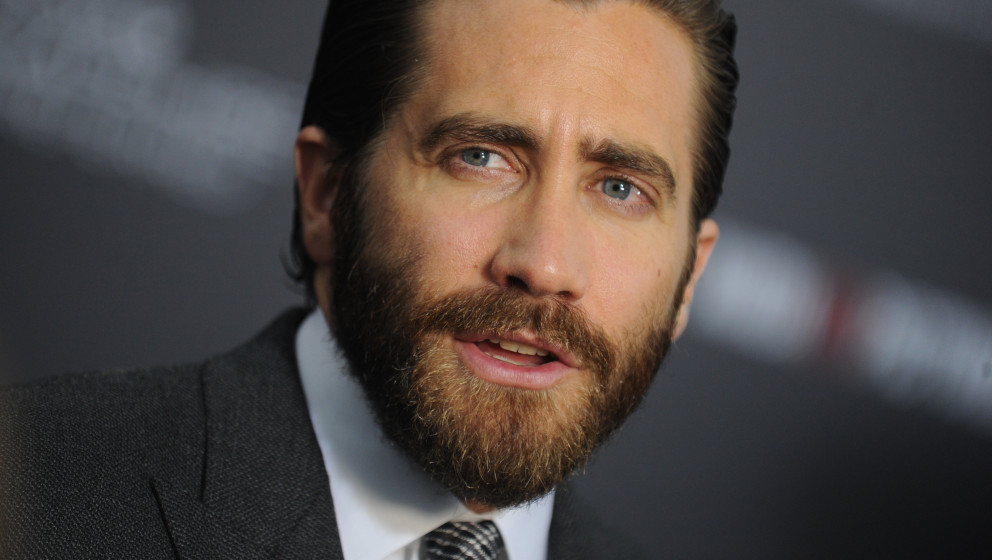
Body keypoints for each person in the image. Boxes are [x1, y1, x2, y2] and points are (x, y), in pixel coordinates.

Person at [0, 0, 738, 558]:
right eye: (480, 157)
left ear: (689, 274)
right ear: (326, 194)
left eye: (620, 189)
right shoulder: (35, 493)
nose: (545, 265)